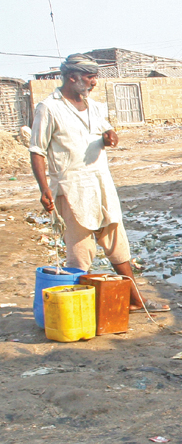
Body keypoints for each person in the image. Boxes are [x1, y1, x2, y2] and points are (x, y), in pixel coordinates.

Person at [29, 53, 168, 313]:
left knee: (118, 244)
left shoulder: (94, 106)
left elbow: (104, 133)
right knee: (80, 252)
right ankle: (76, 310)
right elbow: (37, 150)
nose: (94, 82)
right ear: (73, 77)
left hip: (101, 183)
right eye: (90, 77)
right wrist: (44, 189)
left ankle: (136, 301)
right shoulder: (49, 107)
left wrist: (109, 138)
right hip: (72, 187)